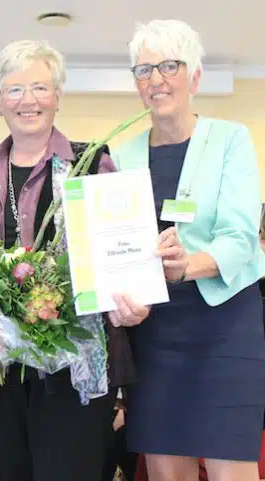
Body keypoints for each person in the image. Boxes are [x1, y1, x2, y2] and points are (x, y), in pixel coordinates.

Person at [0, 39, 146, 481]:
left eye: (39, 87)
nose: (27, 100)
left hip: (75, 360)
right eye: (14, 90)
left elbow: (121, 253)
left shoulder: (92, 163)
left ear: (57, 96)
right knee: (9, 471)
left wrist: (134, 295)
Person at [112, 19, 265, 481]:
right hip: (154, 332)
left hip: (224, 327)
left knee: (230, 469)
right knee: (164, 470)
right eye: (144, 69)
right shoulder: (121, 156)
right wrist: (117, 298)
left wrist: (187, 266)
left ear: (195, 77)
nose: (156, 79)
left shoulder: (230, 140)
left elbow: (241, 237)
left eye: (169, 66)